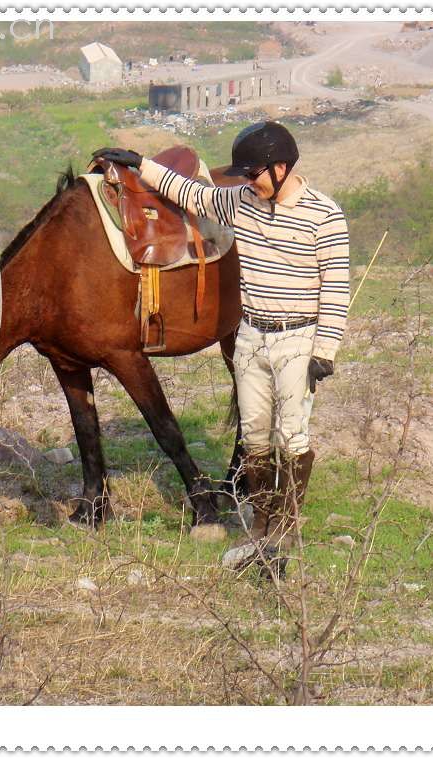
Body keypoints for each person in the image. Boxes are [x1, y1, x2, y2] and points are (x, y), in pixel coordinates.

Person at [93, 121, 350, 576]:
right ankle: (262, 521)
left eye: (254, 174)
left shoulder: (324, 214)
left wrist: (324, 350)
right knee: (254, 435)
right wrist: (141, 165)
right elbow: (191, 194)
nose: (247, 182)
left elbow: (335, 287)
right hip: (250, 334)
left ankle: (286, 527)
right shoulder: (242, 202)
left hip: (297, 337)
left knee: (291, 437)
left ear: (282, 167)